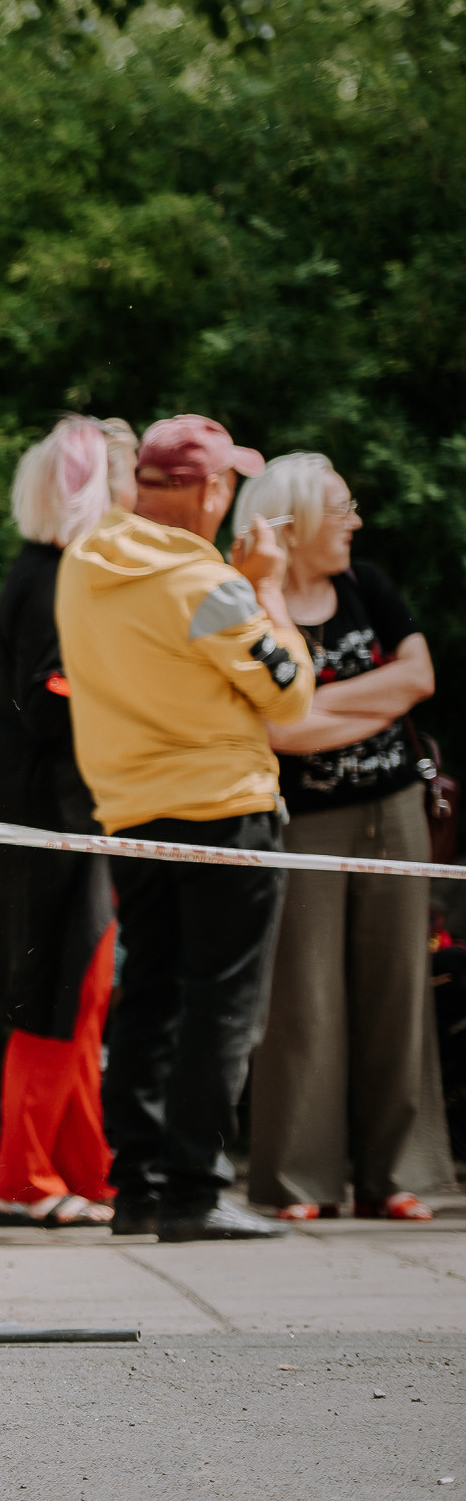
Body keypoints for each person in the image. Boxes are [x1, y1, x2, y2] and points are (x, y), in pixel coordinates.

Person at [55, 414, 314, 1243]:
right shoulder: (213, 585)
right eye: (229, 484)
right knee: (222, 1006)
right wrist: (268, 586)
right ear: (210, 492)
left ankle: (137, 1188)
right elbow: (291, 696)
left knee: (152, 998)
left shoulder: (82, 564)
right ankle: (195, 1192)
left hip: (129, 813)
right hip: (225, 813)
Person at [236, 452, 449, 1221]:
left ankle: (395, 1173)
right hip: (308, 819)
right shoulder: (253, 603)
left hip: (393, 810)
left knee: (399, 987)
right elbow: (279, 728)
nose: (354, 520)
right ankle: (298, 1180)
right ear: (293, 521)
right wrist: (370, 702)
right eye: (340, 507)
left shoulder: (369, 587)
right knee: (304, 997)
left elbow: (419, 677)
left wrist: (325, 710)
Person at [0, 416, 134, 1228]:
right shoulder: (56, 575)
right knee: (55, 991)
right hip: (47, 820)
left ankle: (84, 1170)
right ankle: (23, 1179)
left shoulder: (46, 571)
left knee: (84, 993)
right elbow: (48, 696)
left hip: (57, 814)